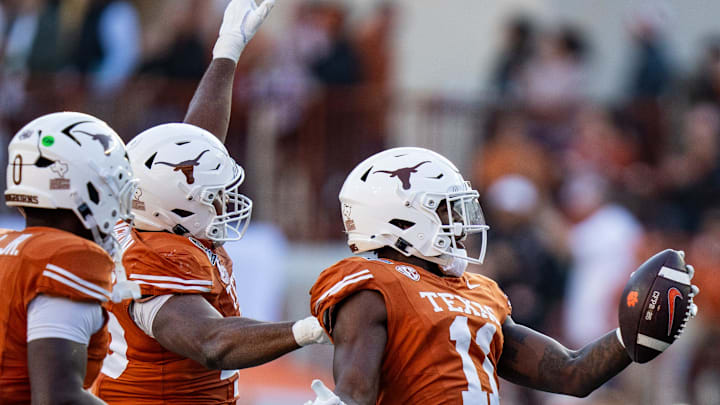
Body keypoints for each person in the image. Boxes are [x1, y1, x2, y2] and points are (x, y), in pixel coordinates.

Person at [303, 147, 699, 405]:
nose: (459, 223)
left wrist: (635, 336)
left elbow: (571, 372)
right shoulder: (373, 284)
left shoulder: (478, 290)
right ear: (399, 218)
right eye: (445, 211)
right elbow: (355, 391)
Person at [92, 1, 327, 403]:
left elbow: (193, 147)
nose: (225, 203)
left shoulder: (152, 216)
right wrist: (309, 330)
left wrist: (227, 51)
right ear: (177, 206)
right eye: (213, 197)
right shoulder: (155, 256)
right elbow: (210, 341)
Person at [0, 111, 136, 403]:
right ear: (88, 188)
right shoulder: (67, 258)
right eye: (114, 185)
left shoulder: (7, 245)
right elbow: (58, 397)